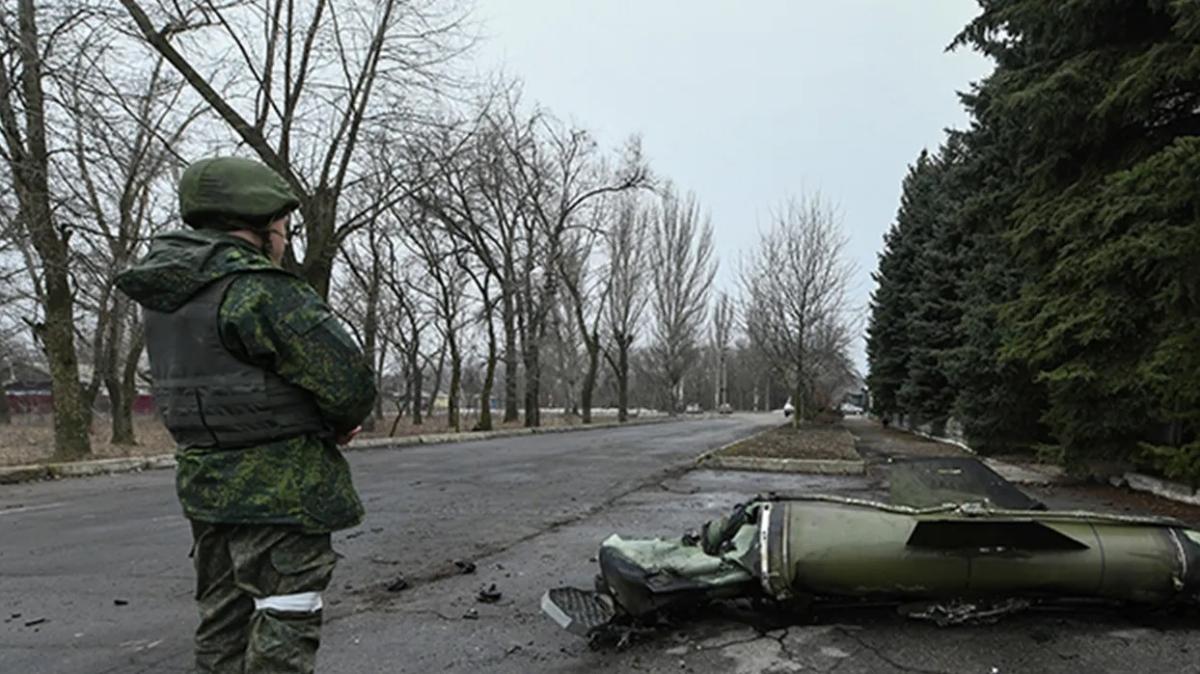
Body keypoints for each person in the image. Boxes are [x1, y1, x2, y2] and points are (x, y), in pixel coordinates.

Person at [117, 156, 376, 673]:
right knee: (286, 613)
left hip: (207, 484)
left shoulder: (167, 296)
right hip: (281, 487)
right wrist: (340, 421)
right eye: (282, 225)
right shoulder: (260, 290)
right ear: (261, 222)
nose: (284, 238)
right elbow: (347, 380)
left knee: (223, 619)